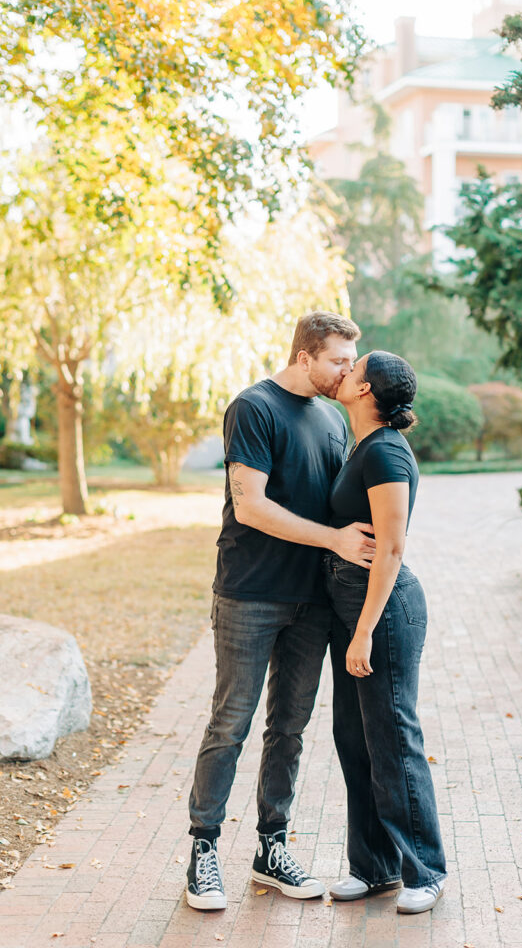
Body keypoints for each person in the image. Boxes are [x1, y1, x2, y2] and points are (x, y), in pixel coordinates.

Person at [186, 311, 377, 911]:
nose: (349, 373)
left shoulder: (331, 417)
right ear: (304, 356)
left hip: (313, 599)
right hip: (249, 590)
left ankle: (272, 848)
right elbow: (252, 507)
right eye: (339, 361)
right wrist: (336, 540)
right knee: (230, 723)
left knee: (289, 730)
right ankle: (203, 851)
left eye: (352, 361)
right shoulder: (254, 407)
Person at [323, 350, 447, 915]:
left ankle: (424, 869)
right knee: (355, 739)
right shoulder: (364, 444)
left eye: (352, 368)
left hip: (384, 612)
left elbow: (392, 549)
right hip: (355, 608)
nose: (342, 371)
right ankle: (372, 868)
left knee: (394, 741)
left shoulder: (388, 451)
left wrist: (364, 631)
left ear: (366, 388)